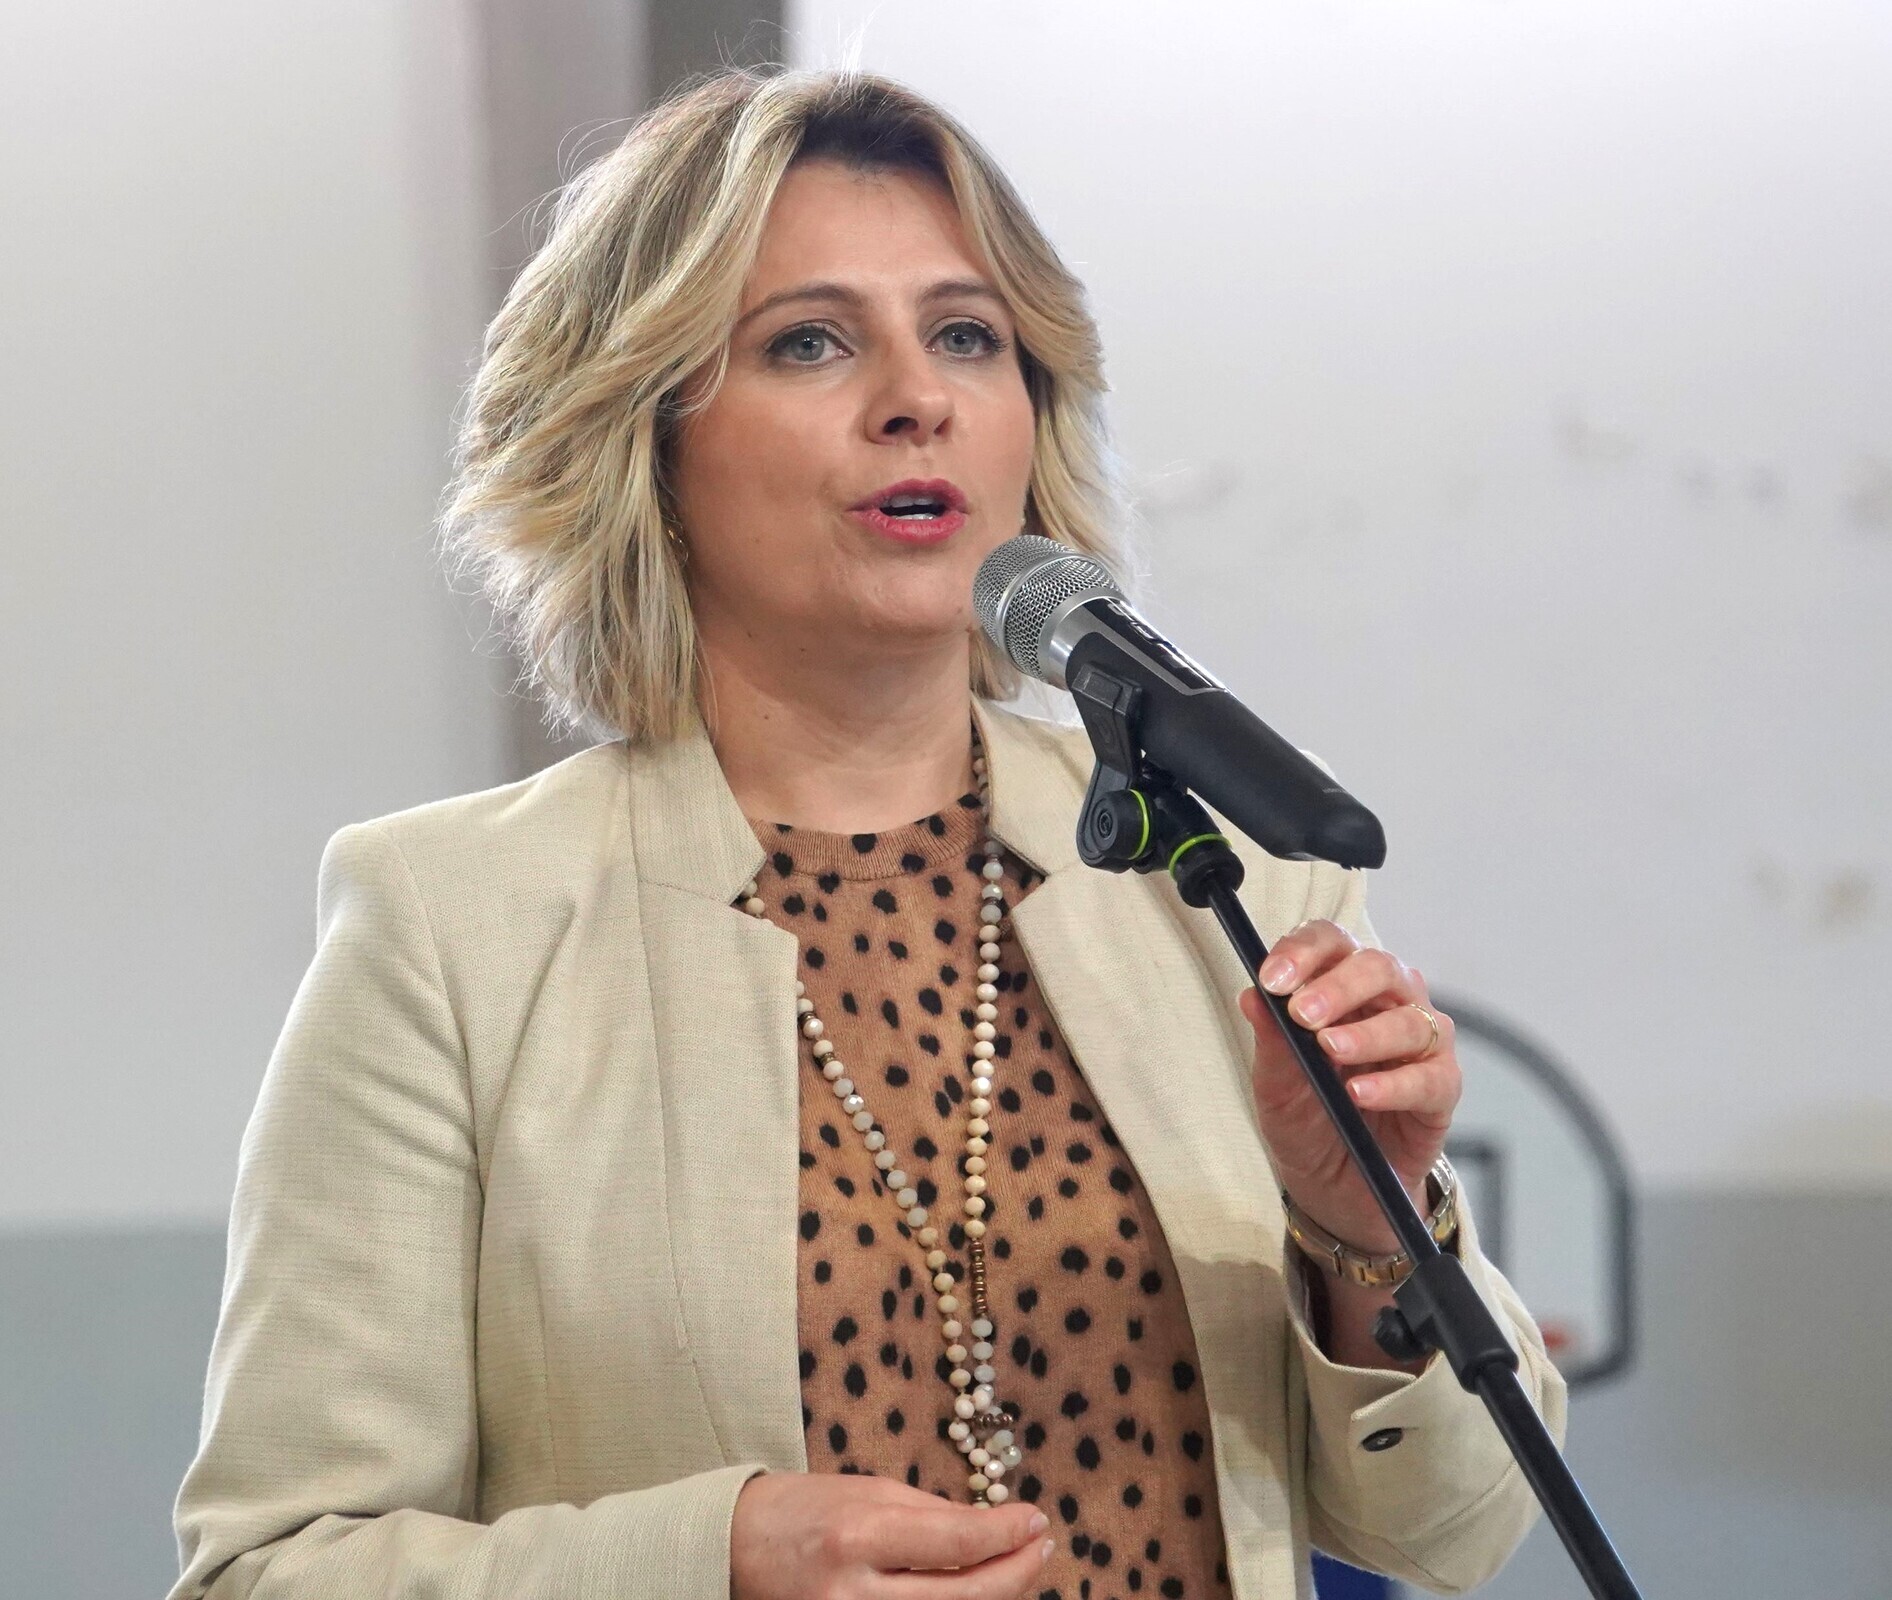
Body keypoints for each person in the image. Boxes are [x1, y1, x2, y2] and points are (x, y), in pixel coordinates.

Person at [170, 68, 1564, 1600]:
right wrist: (706, 1562)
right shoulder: (452, 930)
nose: (918, 399)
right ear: (645, 436)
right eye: (810, 342)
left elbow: (1458, 1529)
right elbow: (269, 1571)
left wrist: (1366, 1229)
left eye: (967, 335)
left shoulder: (1229, 877)